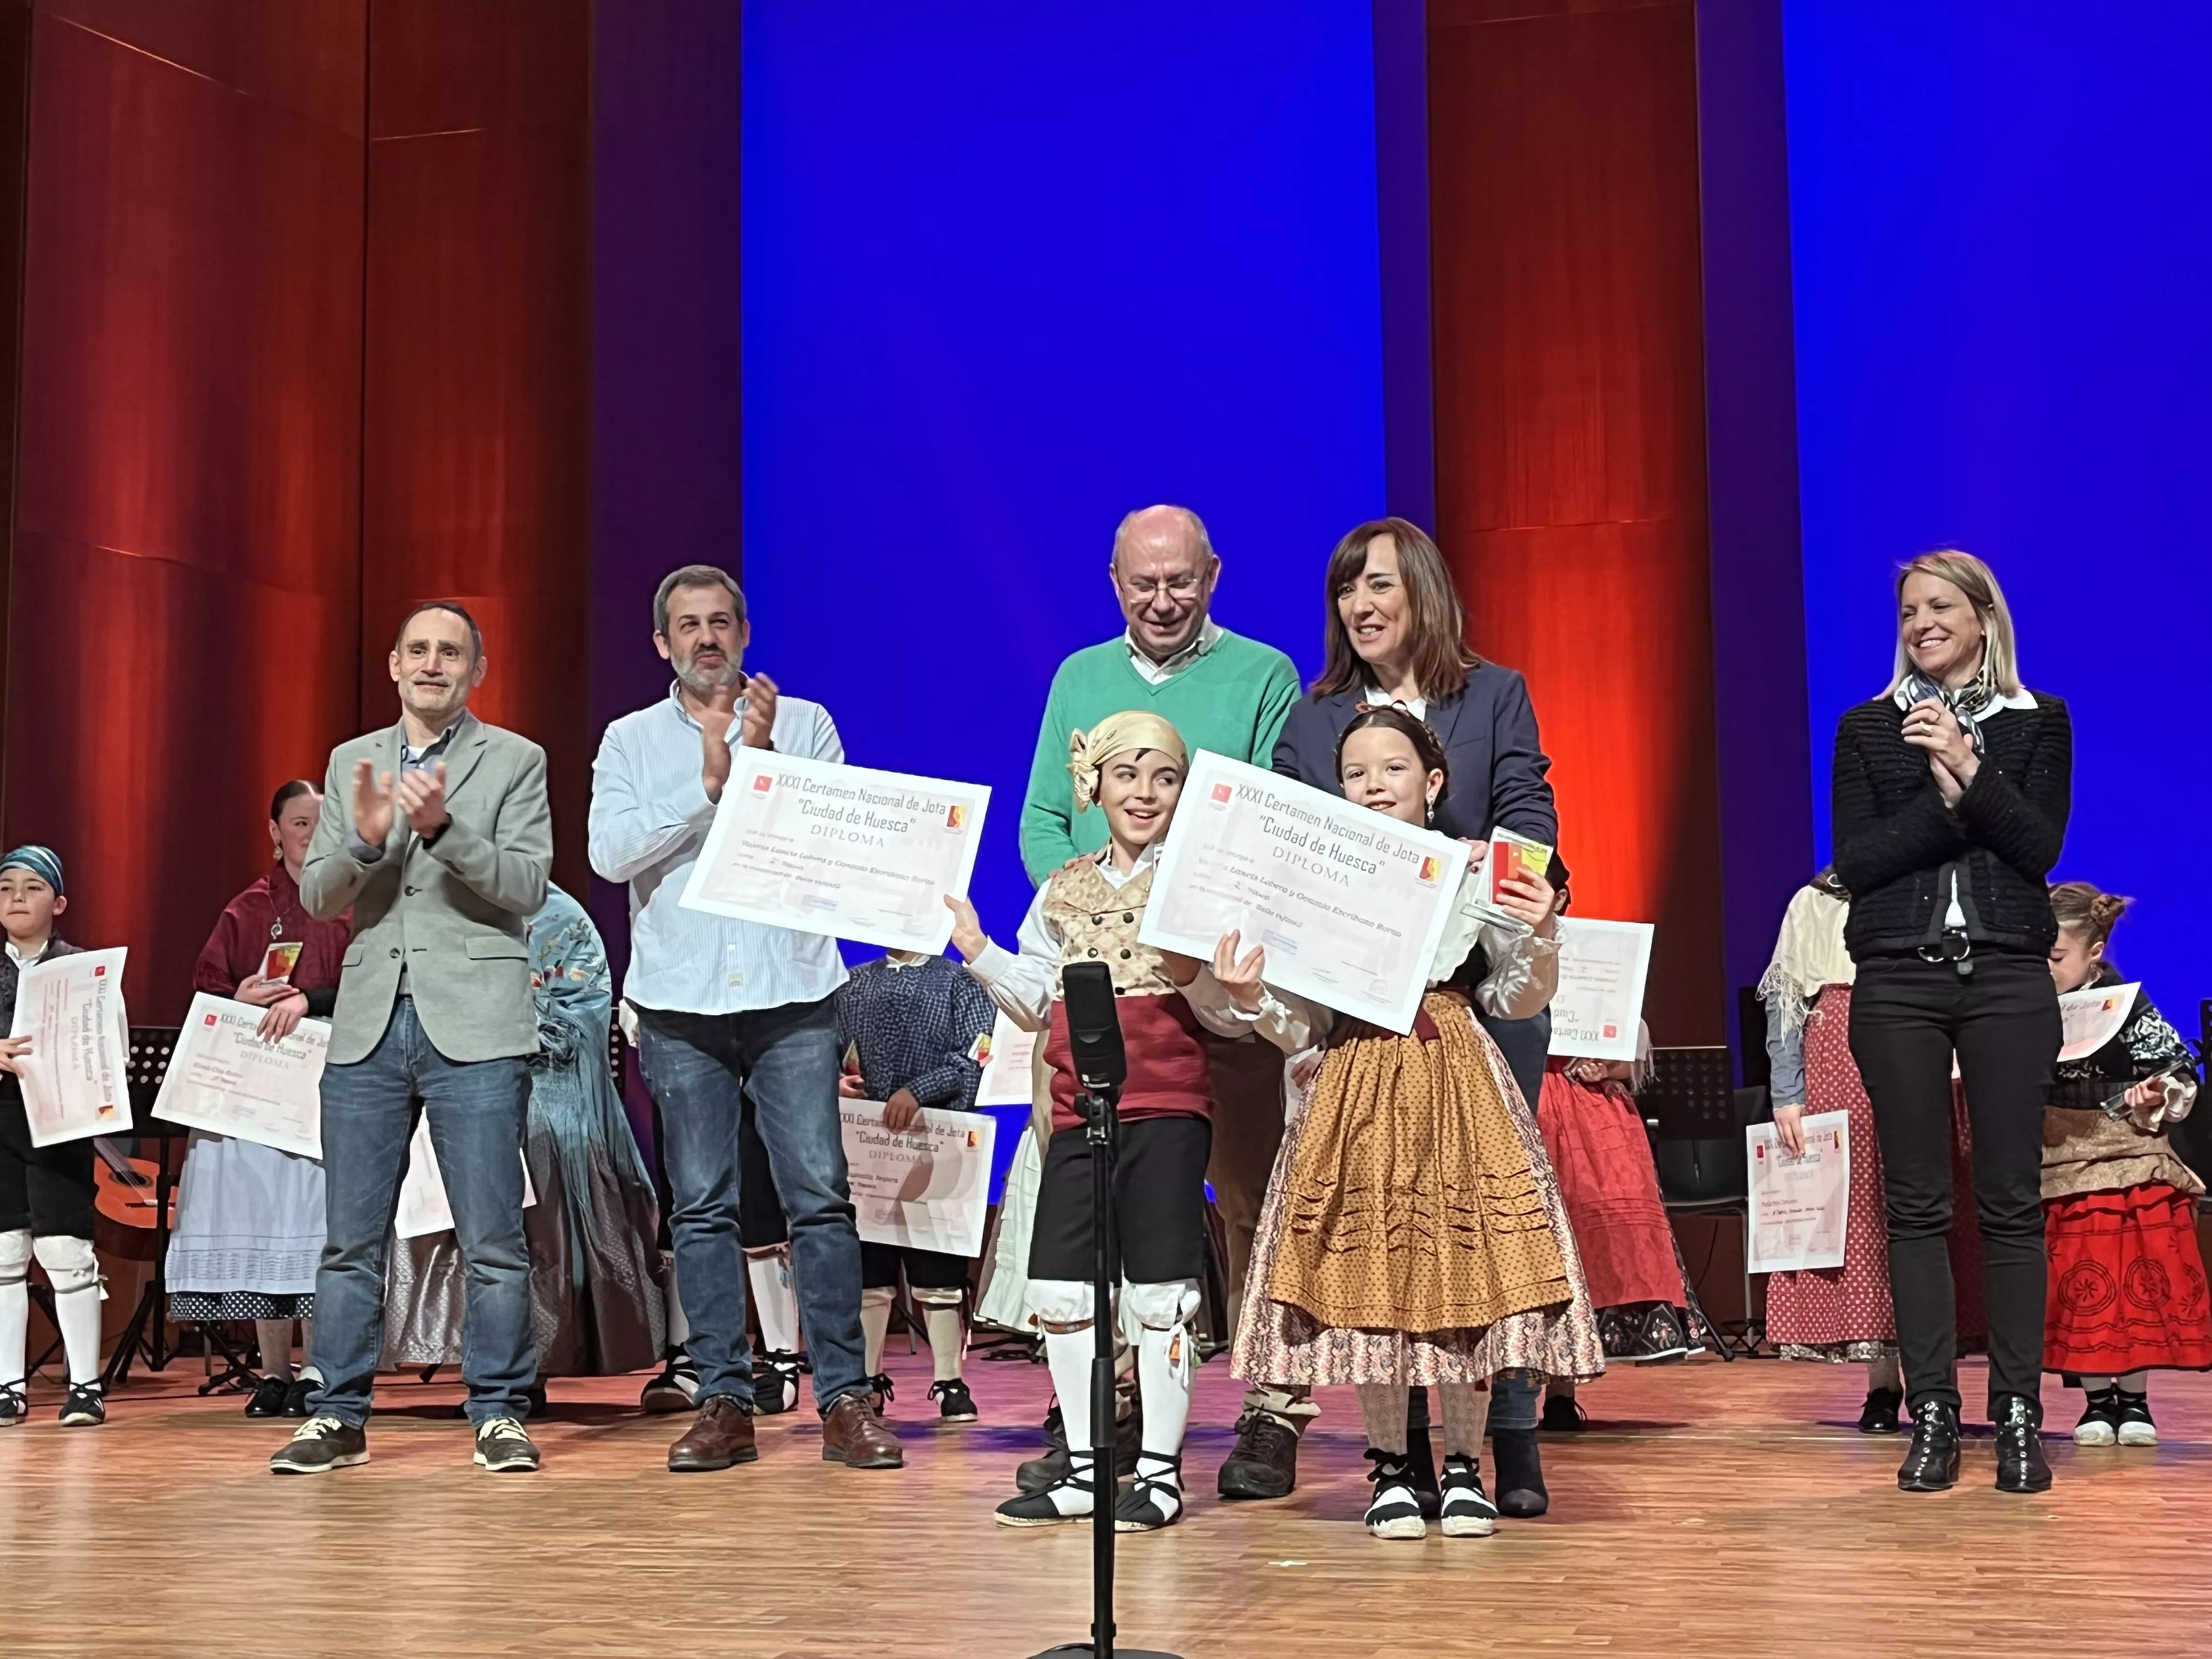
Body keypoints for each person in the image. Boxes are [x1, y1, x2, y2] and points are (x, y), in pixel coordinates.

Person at [1224, 706, 1601, 1541]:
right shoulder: (1320, 890)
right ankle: (1394, 1467)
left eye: (1392, 769)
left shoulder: (1473, 878)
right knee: (1372, 1283)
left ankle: (1464, 1467)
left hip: (1454, 1073)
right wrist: (1251, 995)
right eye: (1356, 773)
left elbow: (1513, 997)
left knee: (1465, 1275)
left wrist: (1539, 931)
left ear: (1432, 783)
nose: (1373, 785)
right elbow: (1299, 1026)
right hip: (1356, 1079)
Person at [1249, 516, 1564, 1508]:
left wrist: (1501, 883)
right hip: (1351, 1012)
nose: (1361, 604)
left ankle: (1504, 1440)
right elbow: (1294, 846)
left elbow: (1528, 808)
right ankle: (1399, 1455)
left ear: (1421, 590)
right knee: (1381, 1225)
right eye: (1346, 588)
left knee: (1479, 1224)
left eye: (1378, 583)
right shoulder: (1312, 718)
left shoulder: (1491, 693)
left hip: (1467, 991)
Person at [589, 563, 899, 1474]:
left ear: (746, 630)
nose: (706, 638)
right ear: (661, 642)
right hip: (681, 1002)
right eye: (688, 625)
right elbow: (610, 853)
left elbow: (830, 850)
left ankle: (845, 1396)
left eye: (720, 621)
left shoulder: (804, 725)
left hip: (793, 995)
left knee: (820, 1196)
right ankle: (724, 1396)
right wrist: (710, 784)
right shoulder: (631, 739)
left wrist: (759, 769)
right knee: (703, 1207)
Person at [1015, 504, 1301, 1486]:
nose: (1163, 597)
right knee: (1090, 1205)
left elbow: (1265, 820)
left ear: (1213, 574)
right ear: (1112, 580)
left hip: (1216, 976)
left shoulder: (1264, 673)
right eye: (1144, 581)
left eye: (1180, 579)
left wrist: (1175, 919)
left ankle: (1270, 1404)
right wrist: (1098, 909)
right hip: (1109, 1002)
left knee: (1254, 1198)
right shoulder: (1077, 677)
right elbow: (1045, 824)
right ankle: (1106, 1412)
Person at [268, 600, 551, 1477]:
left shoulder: (515, 760)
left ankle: (499, 1409)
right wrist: (369, 839)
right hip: (368, 1025)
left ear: (477, 670)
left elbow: (528, 884)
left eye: (451, 652)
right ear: (394, 665)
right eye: (419, 650)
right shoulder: (352, 761)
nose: (433, 664)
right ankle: (337, 1414)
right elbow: (320, 896)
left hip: (476, 1020)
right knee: (351, 1238)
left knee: (492, 1237)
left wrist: (442, 831)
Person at [953, 712, 1247, 1533]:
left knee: (1160, 1298)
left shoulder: (1196, 889)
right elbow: (1034, 999)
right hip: (1080, 1112)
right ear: (1095, 787)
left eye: (1164, 778)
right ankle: (1087, 1467)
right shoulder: (1064, 888)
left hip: (1167, 1107)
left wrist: (1211, 984)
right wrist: (978, 950)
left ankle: (1157, 1472)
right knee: (1060, 1291)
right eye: (1127, 775)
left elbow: (1227, 1021)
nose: (1144, 794)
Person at [1832, 549, 2070, 1495]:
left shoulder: (2038, 721)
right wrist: (1948, 793)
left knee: (2010, 1202)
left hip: (2009, 973)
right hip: (1897, 978)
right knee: (1915, 1203)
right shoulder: (1865, 727)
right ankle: (1930, 1407)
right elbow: (1859, 858)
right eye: (1908, 609)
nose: (1921, 621)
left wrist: (1967, 764)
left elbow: (2037, 845)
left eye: (1939, 605)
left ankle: (2016, 1413)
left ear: (1981, 617)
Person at [381, 885, 665, 1386]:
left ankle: (530, 1362)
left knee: (537, 1152)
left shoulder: (557, 913)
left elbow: (584, 1008)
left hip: (543, 1082)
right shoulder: (434, 906)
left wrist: (517, 1018)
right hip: (457, 1075)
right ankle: (474, 1356)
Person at [1757, 874, 1990, 1431]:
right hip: (1837, 1059)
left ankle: (1937, 1387)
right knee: (1860, 1223)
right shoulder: (1814, 900)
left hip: (1925, 1048)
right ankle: (1882, 1386)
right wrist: (1788, 1094)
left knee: (1927, 1213)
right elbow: (1786, 1005)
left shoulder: (1935, 887)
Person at [170, 781, 351, 1418]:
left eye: (319, 823)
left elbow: (377, 982)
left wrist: (317, 1005)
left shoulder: (356, 901)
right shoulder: (246, 909)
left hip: (331, 1078)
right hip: (257, 1088)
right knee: (268, 1222)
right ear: (275, 832)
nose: (308, 832)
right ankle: (274, 1374)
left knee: (321, 1227)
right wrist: (237, 1001)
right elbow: (206, 992)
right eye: (297, 823)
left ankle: (323, 1369)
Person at [2041, 882, 2208, 1444]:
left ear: (2093, 953)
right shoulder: (2027, 1006)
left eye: (2058, 956)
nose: (2047, 965)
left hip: (2131, 1155)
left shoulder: (2127, 1005)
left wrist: (2154, 1092)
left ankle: (2134, 1400)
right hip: (2063, 1160)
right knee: (2082, 1280)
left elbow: (2179, 1070)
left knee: (2137, 1275)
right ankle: (2094, 1402)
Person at [834, 949, 995, 1419]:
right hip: (868, 1143)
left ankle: (949, 1379)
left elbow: (979, 1049)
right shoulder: (852, 982)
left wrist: (921, 1090)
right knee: (870, 1265)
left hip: (936, 1139)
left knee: (938, 1261)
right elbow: (827, 1047)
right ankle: (866, 1378)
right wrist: (836, 1080)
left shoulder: (957, 981)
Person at [1532, 1017, 1696, 1423]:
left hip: (1591, 1114)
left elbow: (1631, 1056)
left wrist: (1607, 1067)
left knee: (1587, 1247)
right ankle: (1507, 1398)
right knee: (1531, 1244)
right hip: (1526, 1096)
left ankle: (1561, 1394)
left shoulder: (1606, 968)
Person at [0, 847, 107, 1428]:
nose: (17, 898)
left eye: (33, 888)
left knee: (66, 1252)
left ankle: (85, 1385)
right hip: (1, 1124)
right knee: (4, 1252)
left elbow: (105, 1047)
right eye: (7, 888)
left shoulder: (83, 970)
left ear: (59, 902)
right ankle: (7, 1385)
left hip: (60, 1126)